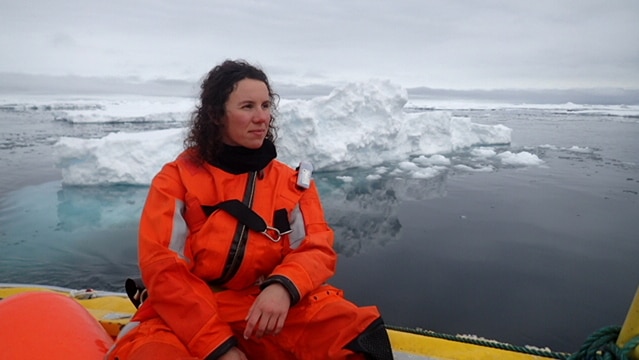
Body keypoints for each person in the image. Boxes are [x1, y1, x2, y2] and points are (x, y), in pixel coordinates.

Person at [106, 60, 394, 360]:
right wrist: (218, 346)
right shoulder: (175, 180)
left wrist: (284, 287)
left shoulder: (293, 184)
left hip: (262, 305)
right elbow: (163, 268)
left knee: (355, 335)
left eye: (266, 105)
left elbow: (316, 247)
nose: (262, 118)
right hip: (188, 311)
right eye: (247, 107)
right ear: (217, 115)